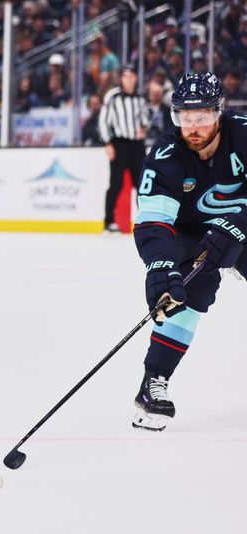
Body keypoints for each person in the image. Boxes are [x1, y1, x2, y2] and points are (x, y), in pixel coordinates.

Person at [131, 72, 247, 431]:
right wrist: (160, 267)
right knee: (186, 290)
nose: (193, 127)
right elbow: (154, 220)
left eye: (202, 117)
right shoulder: (166, 153)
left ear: (219, 113)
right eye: (185, 117)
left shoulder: (243, 132)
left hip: (241, 224)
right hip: (188, 230)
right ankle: (153, 384)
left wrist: (239, 223)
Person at [99, 63, 149, 233]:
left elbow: (145, 118)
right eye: (126, 76)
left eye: (132, 75)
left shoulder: (140, 97)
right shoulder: (112, 97)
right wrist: (107, 143)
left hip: (136, 145)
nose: (129, 79)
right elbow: (104, 121)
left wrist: (144, 127)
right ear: (120, 78)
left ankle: (144, 220)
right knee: (116, 183)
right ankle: (109, 221)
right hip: (119, 143)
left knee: (142, 184)